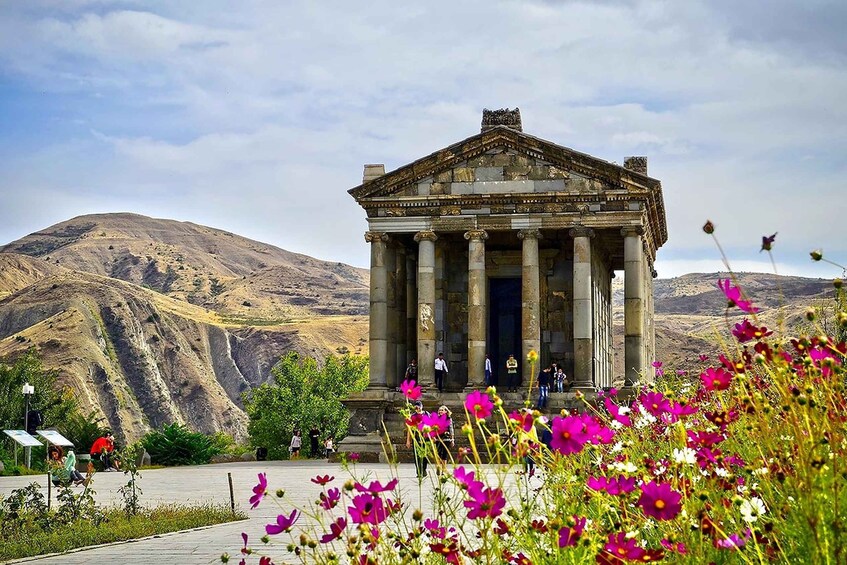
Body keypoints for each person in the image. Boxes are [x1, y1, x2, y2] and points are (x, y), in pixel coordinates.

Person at [405, 400, 428, 479]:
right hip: (416, 437)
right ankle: (419, 472)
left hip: (425, 437)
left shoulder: (427, 414)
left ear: (422, 407)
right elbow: (409, 429)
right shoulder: (412, 416)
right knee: (416, 455)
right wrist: (408, 440)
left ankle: (424, 469)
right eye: (416, 407)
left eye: (419, 407)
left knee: (424, 455)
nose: (417, 408)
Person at [434, 405, 454, 473]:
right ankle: (438, 468)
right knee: (438, 454)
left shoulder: (449, 419)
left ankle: (444, 469)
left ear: (446, 411)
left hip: (446, 439)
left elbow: (451, 429)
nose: (440, 411)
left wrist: (452, 439)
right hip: (438, 438)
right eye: (439, 410)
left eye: (442, 410)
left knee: (444, 454)